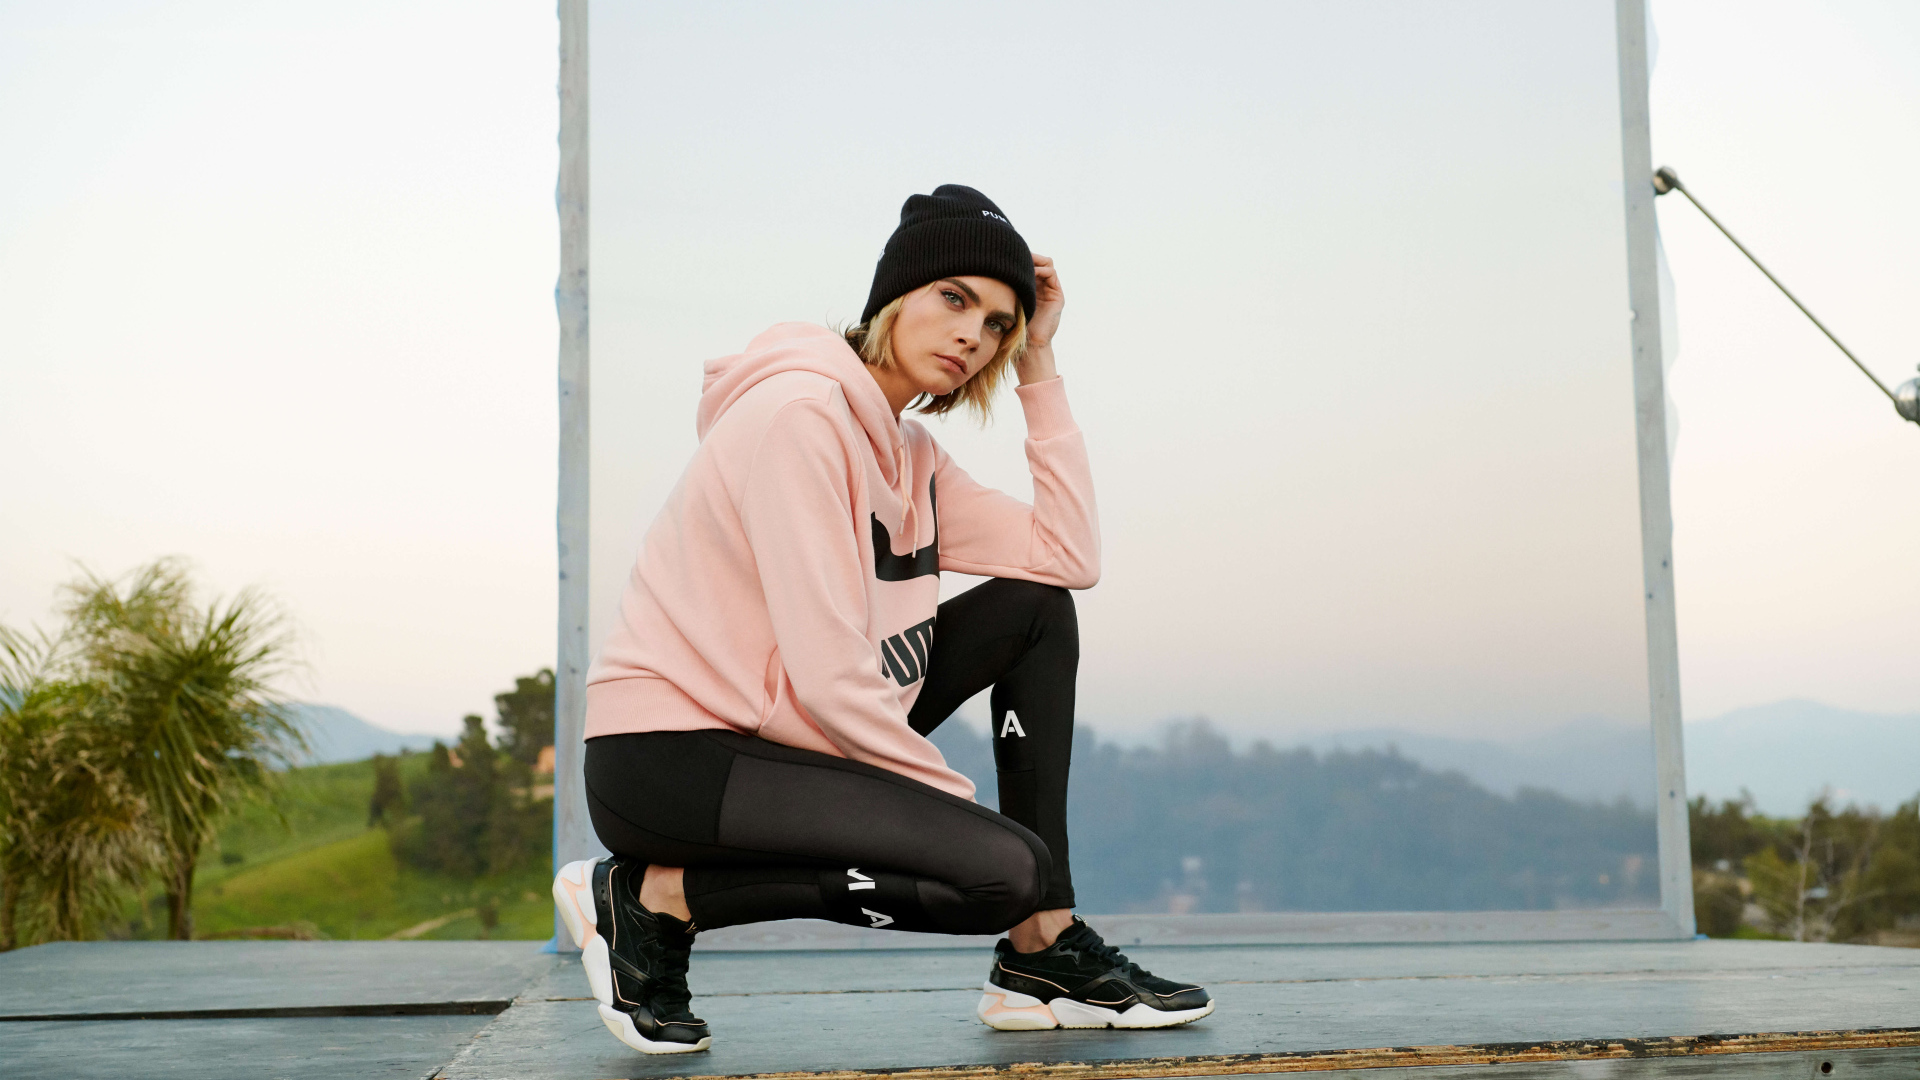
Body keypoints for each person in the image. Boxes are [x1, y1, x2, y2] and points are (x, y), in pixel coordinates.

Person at [552, 185, 1213, 1055]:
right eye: (955, 298)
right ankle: (656, 898)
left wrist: (1041, 369)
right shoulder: (797, 418)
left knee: (1035, 611)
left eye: (1001, 323)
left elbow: (1067, 557)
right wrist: (956, 822)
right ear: (895, 298)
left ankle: (1042, 950)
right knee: (999, 871)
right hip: (677, 757)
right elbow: (830, 678)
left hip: (789, 739)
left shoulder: (913, 456)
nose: (975, 333)